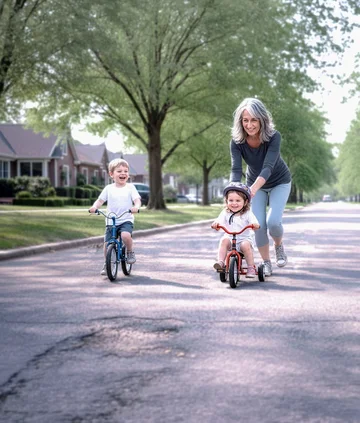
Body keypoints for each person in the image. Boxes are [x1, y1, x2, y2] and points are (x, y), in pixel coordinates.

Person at [230, 97, 292, 276]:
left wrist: (252, 189)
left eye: (254, 120)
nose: (249, 125)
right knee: (258, 225)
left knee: (273, 222)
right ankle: (266, 263)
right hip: (253, 184)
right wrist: (234, 190)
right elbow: (236, 169)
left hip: (279, 181)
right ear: (240, 121)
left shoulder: (274, 137)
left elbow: (268, 167)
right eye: (245, 120)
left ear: (262, 119)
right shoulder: (237, 142)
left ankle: (279, 246)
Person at [89, 158, 142, 275]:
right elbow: (100, 200)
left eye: (125, 171)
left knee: (125, 235)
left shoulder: (130, 187)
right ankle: (107, 262)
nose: (123, 173)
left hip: (126, 219)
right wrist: (94, 207)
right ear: (111, 174)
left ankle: (129, 252)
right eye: (119, 171)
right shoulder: (108, 188)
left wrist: (136, 207)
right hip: (111, 221)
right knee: (107, 244)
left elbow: (137, 200)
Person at [211, 182, 260, 278]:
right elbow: (219, 221)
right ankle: (221, 262)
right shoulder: (225, 212)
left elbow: (255, 222)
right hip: (230, 238)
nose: (234, 203)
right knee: (223, 240)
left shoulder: (247, 213)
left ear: (245, 202)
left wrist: (255, 225)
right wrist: (216, 224)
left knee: (245, 245)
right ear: (226, 201)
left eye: (238, 200)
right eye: (231, 200)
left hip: (244, 239)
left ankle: (251, 267)